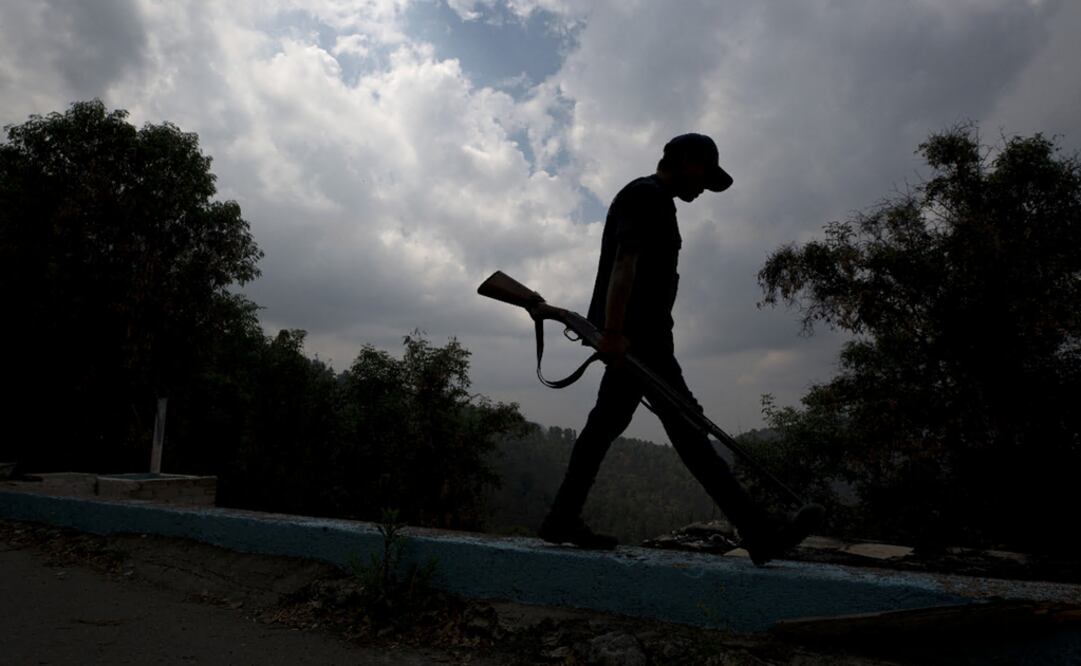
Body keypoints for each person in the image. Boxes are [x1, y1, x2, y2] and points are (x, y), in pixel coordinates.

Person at [537, 133, 820, 566]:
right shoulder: (646, 196)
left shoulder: (653, 200)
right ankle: (760, 533)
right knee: (688, 431)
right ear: (686, 161)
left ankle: (562, 517)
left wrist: (615, 333)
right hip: (639, 341)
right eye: (704, 176)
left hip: (638, 339)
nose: (703, 189)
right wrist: (612, 333)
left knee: (609, 427)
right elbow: (624, 263)